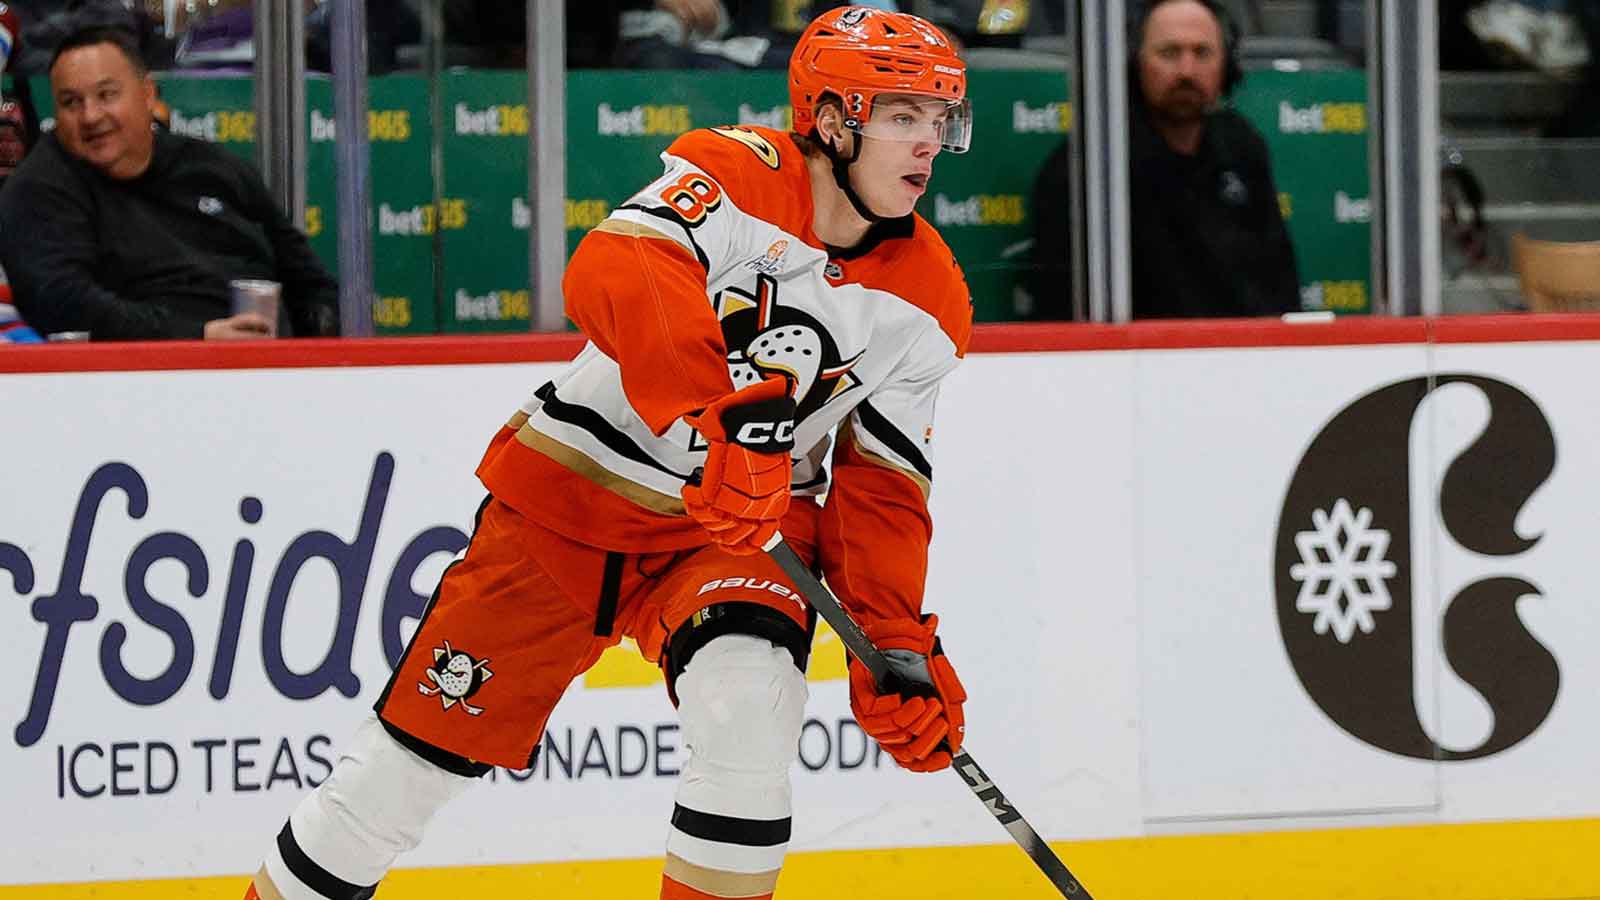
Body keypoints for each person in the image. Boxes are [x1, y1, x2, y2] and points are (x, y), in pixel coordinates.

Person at [245, 6, 973, 900]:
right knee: (398, 782)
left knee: (750, 714)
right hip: (571, 503)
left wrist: (893, 640)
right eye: (905, 117)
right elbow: (616, 267)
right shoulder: (734, 173)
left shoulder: (933, 299)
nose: (930, 143)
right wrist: (719, 422)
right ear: (831, 120)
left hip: (732, 534)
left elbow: (884, 486)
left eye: (941, 120)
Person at [0, 24, 338, 341]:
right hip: (134, 380)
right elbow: (62, 304)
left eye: (106, 95)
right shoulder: (39, 188)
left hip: (271, 369)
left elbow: (309, 282)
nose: (90, 116)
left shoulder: (215, 167)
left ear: (147, 94)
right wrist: (197, 336)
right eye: (71, 102)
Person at [1027, 0, 1301, 319]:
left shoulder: (1241, 144)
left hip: (1242, 355)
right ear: (1135, 61)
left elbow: (1280, 281)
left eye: (1202, 53)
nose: (1187, 71)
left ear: (1227, 64)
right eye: (1169, 53)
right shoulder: (1091, 166)